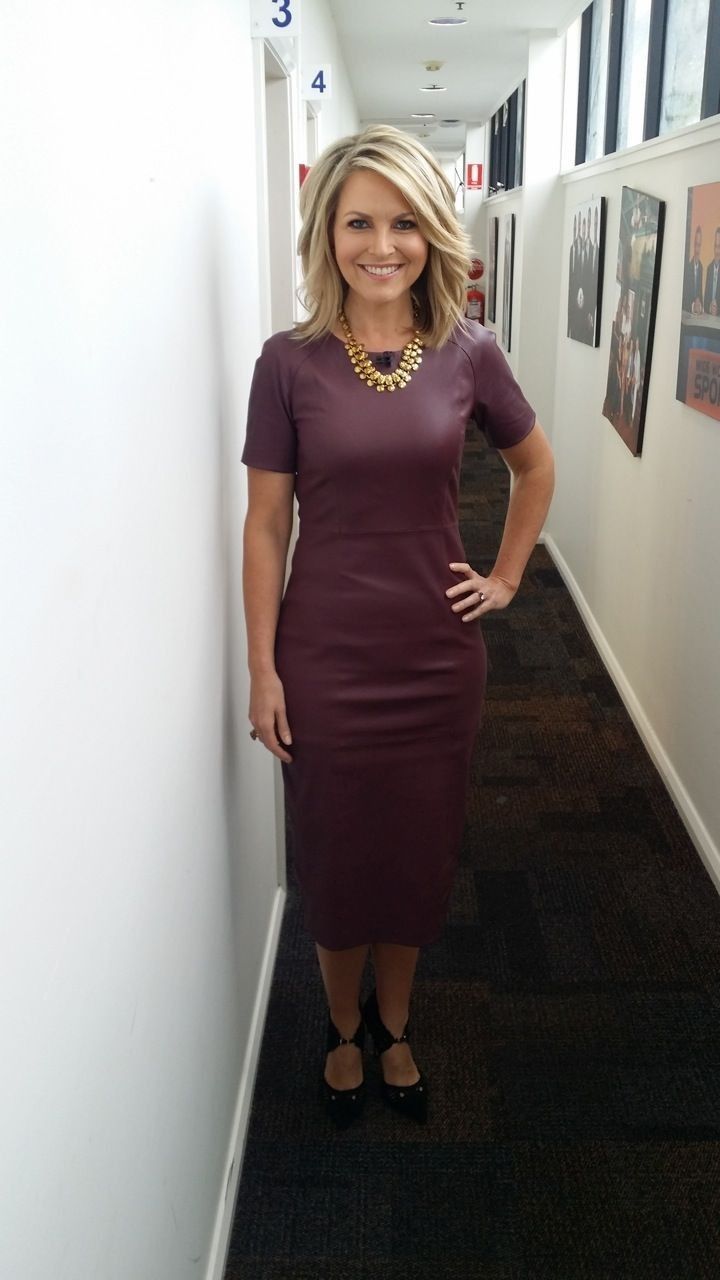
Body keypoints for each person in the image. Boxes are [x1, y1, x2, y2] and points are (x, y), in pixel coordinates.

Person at [241, 125, 554, 1130]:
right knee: (335, 854)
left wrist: (505, 578)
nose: (383, 245)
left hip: (436, 657)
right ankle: (342, 1027)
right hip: (324, 657)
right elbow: (266, 523)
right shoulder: (287, 364)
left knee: (418, 851)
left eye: (405, 223)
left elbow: (535, 467)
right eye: (359, 223)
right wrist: (262, 669)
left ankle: (397, 1020)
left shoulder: (470, 352)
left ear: (434, 234)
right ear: (325, 234)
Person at [683, 225, 704, 315]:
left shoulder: (701, 268)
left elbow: (700, 295)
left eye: (699, 245)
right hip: (687, 313)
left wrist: (700, 306)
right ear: (693, 245)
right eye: (696, 244)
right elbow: (684, 298)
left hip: (697, 315)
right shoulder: (687, 267)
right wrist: (693, 306)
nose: (697, 249)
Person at [703, 226, 720, 317]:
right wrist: (708, 307)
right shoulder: (709, 268)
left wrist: (717, 310)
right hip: (709, 318)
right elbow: (705, 300)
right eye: (716, 246)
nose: (717, 251)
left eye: (719, 247)